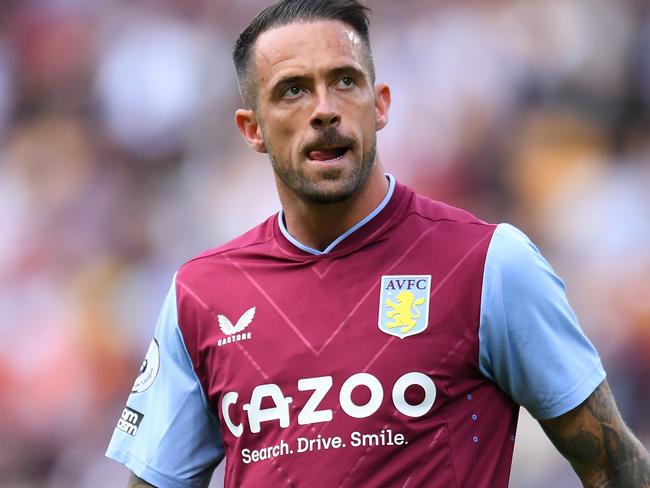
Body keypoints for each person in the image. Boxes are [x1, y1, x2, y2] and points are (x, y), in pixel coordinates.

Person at [106, 1, 650, 486]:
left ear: (381, 104)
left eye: (345, 81)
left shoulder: (488, 263)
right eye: (293, 90)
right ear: (253, 130)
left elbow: (613, 467)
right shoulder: (200, 296)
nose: (324, 109)